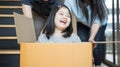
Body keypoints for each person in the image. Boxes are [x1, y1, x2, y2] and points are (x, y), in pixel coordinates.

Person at [64, 0, 108, 67]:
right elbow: (64, 12)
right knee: (83, 42)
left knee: (95, 45)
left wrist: (91, 37)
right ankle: (86, 63)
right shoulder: (70, 1)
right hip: (83, 22)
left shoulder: (99, 2)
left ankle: (98, 64)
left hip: (99, 23)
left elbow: (97, 21)